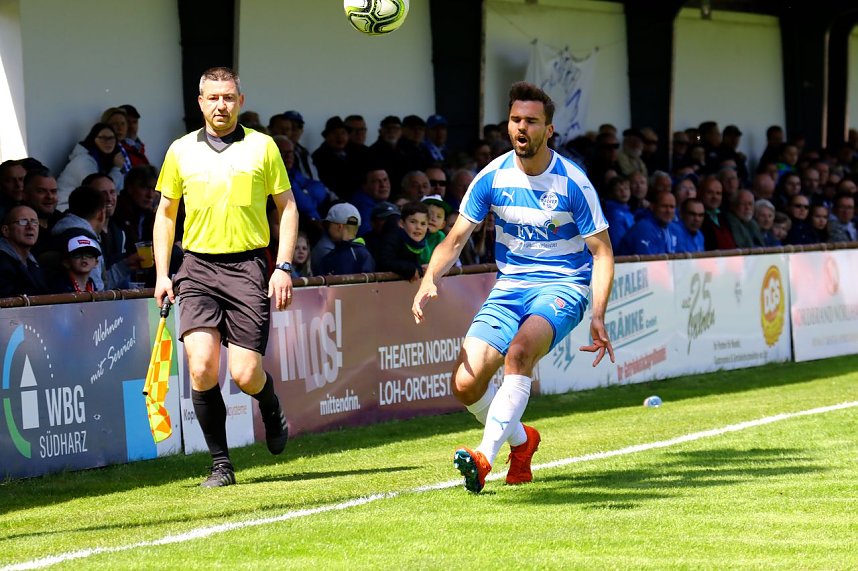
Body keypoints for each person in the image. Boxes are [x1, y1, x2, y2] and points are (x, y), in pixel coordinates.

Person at [411, 82, 614, 493]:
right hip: (510, 287)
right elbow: (454, 240)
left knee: (519, 354)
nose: (522, 127)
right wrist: (430, 279)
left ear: (549, 129)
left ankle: (484, 457)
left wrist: (596, 313)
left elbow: (603, 253)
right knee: (466, 386)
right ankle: (523, 442)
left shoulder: (574, 182)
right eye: (516, 119)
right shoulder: (492, 177)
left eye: (532, 121)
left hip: (564, 287)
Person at [153, 66, 298, 488]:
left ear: (241, 101)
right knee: (200, 368)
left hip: (248, 266)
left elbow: (286, 208)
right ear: (200, 102)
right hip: (196, 267)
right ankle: (221, 465)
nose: (221, 105)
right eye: (213, 98)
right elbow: (165, 214)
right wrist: (163, 274)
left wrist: (282, 266)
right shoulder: (180, 150)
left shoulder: (263, 147)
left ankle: (269, 405)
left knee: (244, 374)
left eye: (228, 97)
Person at [56, 123, 126, 212]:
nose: (108, 142)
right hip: (65, 208)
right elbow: (98, 189)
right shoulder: (84, 160)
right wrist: (116, 168)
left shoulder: (106, 160)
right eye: (103, 138)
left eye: (111, 138)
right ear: (93, 139)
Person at [0, 205, 50, 297]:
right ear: (6, 230)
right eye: (23, 222)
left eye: (34, 222)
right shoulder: (2, 264)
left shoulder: (33, 262)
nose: (30, 226)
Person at [376, 200, 429, 281]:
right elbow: (385, 261)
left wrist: (420, 269)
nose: (418, 227)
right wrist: (410, 268)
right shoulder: (392, 237)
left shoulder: (420, 241)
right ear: (401, 223)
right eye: (413, 222)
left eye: (423, 224)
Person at [616, 191, 677, 256]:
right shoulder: (644, 228)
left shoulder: (669, 227)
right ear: (652, 207)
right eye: (664, 206)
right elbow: (648, 263)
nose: (668, 211)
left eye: (672, 207)